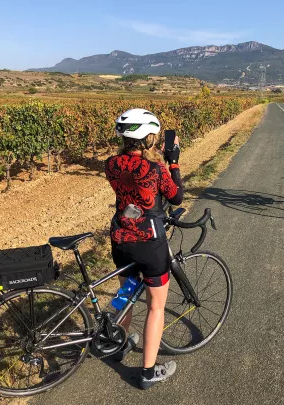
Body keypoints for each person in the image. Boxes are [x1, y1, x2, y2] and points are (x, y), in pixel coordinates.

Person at [104, 108, 183, 389]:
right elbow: (176, 197)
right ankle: (148, 372)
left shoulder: (111, 164)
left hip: (121, 238)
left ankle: (119, 346)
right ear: (148, 138)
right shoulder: (156, 169)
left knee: (126, 295)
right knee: (155, 307)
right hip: (149, 243)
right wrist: (173, 162)